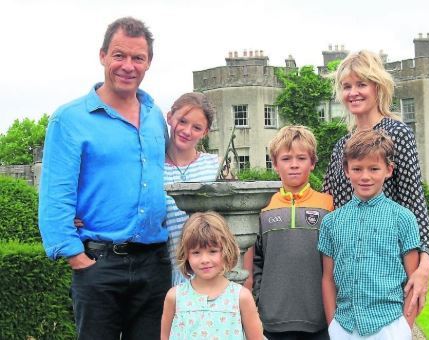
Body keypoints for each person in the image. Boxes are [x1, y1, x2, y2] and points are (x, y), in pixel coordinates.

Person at [38, 17, 170, 339]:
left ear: (148, 62)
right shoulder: (69, 120)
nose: (128, 66)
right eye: (119, 55)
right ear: (102, 56)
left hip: (154, 265)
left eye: (138, 58)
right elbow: (55, 195)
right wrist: (76, 256)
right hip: (99, 264)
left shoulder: (155, 118)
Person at [322, 50, 429, 314]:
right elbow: (327, 203)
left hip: (389, 268)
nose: (353, 92)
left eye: (361, 84)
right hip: (351, 275)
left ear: (377, 87)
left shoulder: (398, 135)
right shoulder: (341, 147)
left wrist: (424, 265)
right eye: (347, 86)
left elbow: (413, 202)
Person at [319, 129, 420, 339]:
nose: (365, 176)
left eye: (374, 168)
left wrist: (404, 327)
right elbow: (328, 278)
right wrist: (332, 325)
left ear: (388, 170)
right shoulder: (331, 222)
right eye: (357, 169)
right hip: (344, 327)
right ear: (346, 170)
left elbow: (414, 280)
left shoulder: (403, 218)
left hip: (389, 326)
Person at [252, 125, 334, 340]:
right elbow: (256, 259)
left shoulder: (328, 206)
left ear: (313, 163)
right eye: (286, 159)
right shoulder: (262, 206)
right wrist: (261, 298)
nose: (294, 165)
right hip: (274, 319)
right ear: (275, 164)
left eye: (302, 158)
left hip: (319, 318)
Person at [161, 211, 264, 340]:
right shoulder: (175, 297)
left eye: (213, 251)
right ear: (186, 255)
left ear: (226, 250)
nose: (205, 259)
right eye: (196, 252)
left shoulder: (241, 297)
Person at [164, 92, 219, 285]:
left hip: (211, 276)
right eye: (183, 121)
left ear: (205, 132)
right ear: (170, 117)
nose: (187, 131)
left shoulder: (215, 166)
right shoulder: (153, 169)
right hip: (169, 275)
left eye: (197, 127)